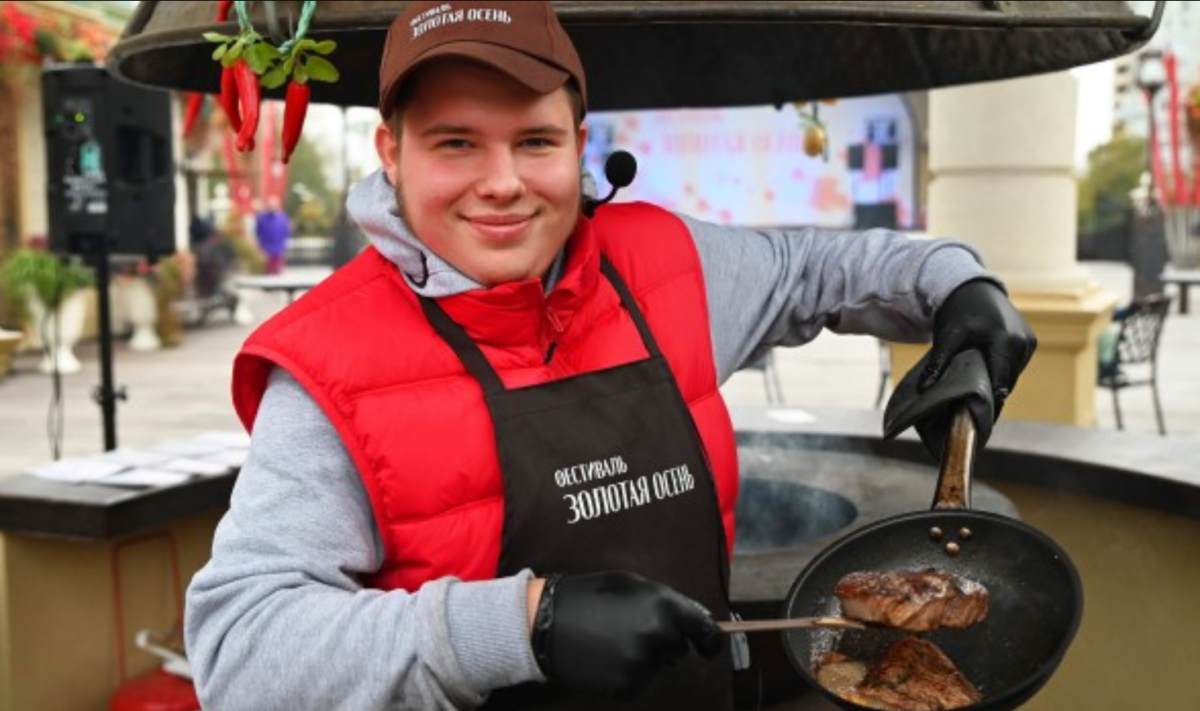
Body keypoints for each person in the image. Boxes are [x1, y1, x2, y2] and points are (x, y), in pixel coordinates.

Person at [184, 2, 1036, 709]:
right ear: (390, 153)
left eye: (536, 141)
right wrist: (526, 623)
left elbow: (823, 268)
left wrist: (958, 287)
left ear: (579, 146)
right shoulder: (327, 363)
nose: (503, 181)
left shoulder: (668, 263)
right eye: (455, 143)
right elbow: (243, 652)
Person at [254, 195, 292, 274]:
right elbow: (258, 231)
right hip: (266, 247)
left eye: (274, 205)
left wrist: (283, 242)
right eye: (271, 205)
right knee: (267, 269)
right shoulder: (262, 217)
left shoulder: (282, 217)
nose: (272, 207)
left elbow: (286, 231)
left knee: (276, 270)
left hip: (278, 247)